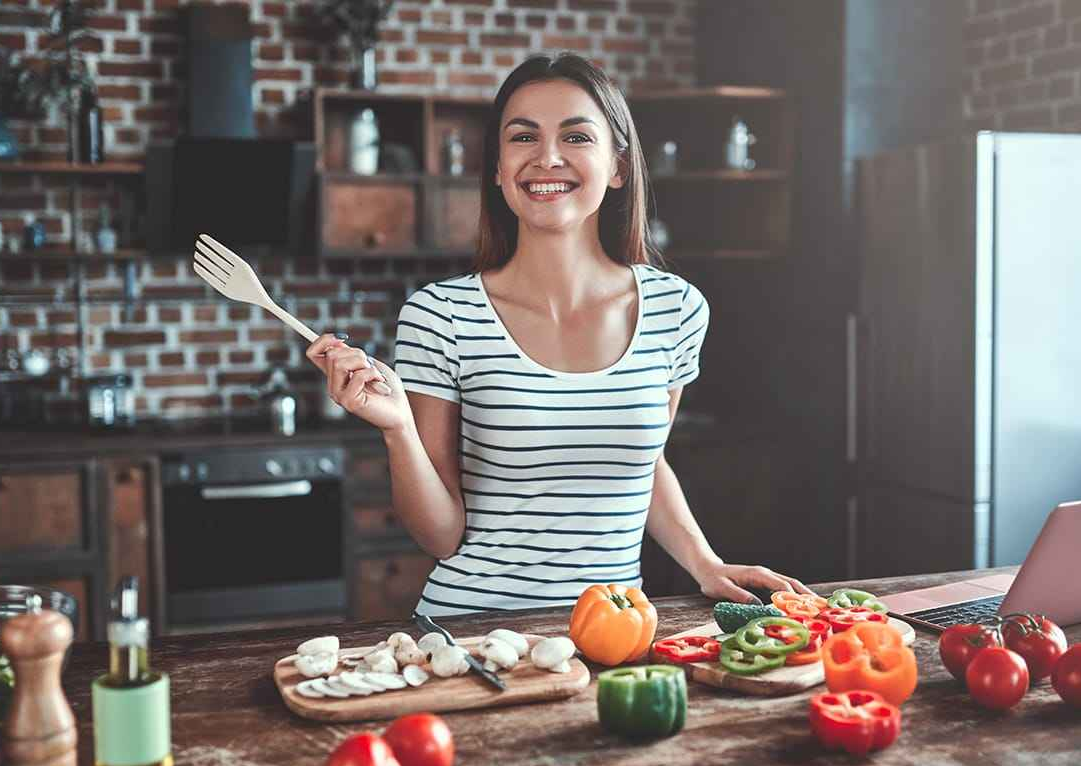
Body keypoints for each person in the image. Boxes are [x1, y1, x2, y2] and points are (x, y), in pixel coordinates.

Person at [307, 53, 813, 616]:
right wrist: (398, 428)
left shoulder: (677, 309)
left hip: (616, 636)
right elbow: (440, 537)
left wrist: (704, 561)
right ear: (498, 167)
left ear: (618, 166)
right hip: (475, 635)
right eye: (523, 137)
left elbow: (643, 463)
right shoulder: (440, 314)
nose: (547, 157)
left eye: (576, 136)